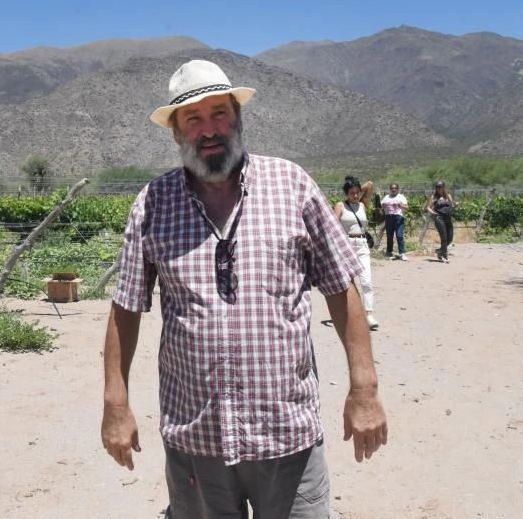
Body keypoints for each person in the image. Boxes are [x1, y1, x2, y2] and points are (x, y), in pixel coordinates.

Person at [101, 60, 388, 519]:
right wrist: (116, 403)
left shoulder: (292, 186)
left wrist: (365, 388)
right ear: (176, 132)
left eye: (219, 114)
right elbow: (126, 309)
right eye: (193, 119)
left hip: (286, 432)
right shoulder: (153, 203)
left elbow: (342, 287)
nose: (209, 129)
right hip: (196, 435)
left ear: (238, 118)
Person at [333, 177, 380, 330]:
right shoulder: (341, 205)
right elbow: (332, 225)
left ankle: (369, 314)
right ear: (346, 193)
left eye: (357, 192)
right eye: (351, 193)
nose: (355, 196)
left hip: (362, 244)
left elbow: (370, 185)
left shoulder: (362, 205)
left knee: (366, 280)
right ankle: (350, 313)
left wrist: (356, 184)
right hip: (346, 245)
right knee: (348, 282)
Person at [427, 181, 456, 264]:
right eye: (437, 187)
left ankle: (440, 250)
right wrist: (433, 213)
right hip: (439, 218)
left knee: (450, 239)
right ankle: (444, 255)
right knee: (444, 237)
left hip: (448, 218)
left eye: (440, 187)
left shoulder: (448, 195)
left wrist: (455, 205)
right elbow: (428, 207)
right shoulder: (434, 197)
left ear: (444, 187)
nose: (439, 188)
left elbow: (452, 205)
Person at [380, 183, 409, 260]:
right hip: (389, 217)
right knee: (389, 236)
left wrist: (401, 206)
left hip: (398, 217)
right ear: (390, 189)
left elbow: (406, 207)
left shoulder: (401, 197)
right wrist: (383, 205)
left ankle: (402, 253)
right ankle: (389, 252)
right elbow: (381, 206)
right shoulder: (386, 197)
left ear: (397, 189)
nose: (393, 189)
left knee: (399, 235)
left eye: (395, 188)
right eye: (392, 188)